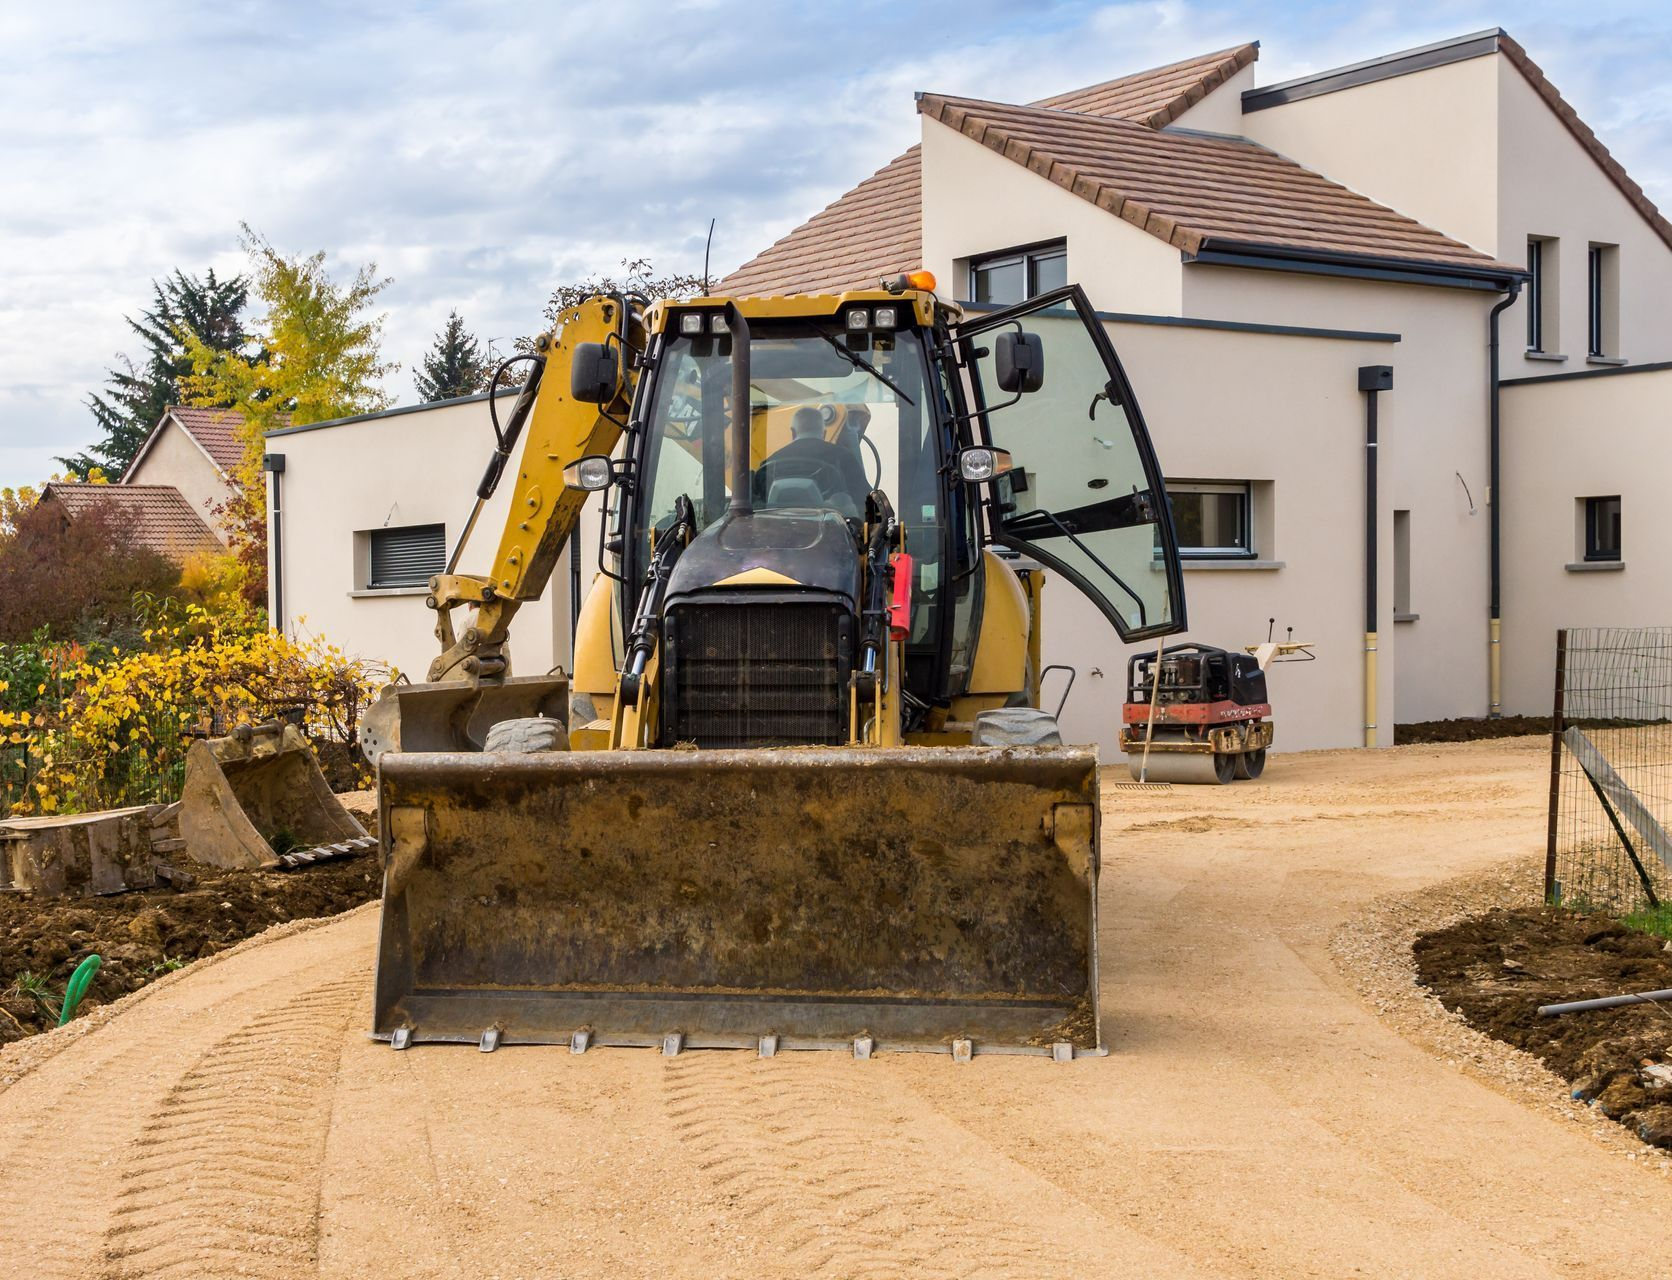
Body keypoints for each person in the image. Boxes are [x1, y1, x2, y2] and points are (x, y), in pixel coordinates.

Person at [758, 406, 871, 511]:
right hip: (830, 530)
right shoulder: (843, 457)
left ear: (793, 432)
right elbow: (865, 499)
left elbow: (757, 503)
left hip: (776, 528)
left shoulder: (769, 463)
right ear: (824, 433)